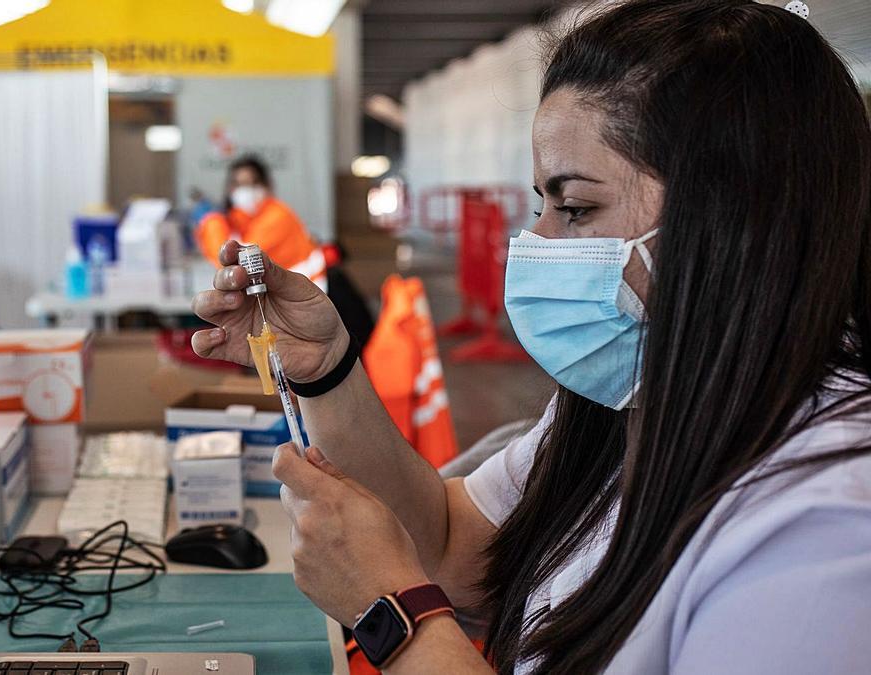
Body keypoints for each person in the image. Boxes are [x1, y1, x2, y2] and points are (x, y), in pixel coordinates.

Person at [190, 1, 871, 673]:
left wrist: (390, 612)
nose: (537, 241)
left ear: (732, 219)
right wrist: (327, 365)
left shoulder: (827, 528)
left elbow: (423, 579)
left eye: (575, 207)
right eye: (541, 202)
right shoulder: (631, 399)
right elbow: (455, 544)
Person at [195, 155, 327, 289]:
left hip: (306, 291)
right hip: (280, 291)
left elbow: (238, 260)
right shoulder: (241, 219)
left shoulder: (278, 215)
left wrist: (213, 224)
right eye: (238, 184)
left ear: (266, 186)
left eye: (252, 183)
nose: (245, 190)